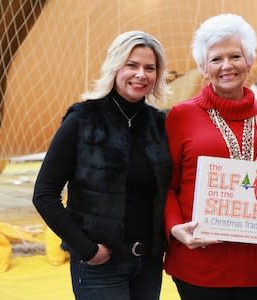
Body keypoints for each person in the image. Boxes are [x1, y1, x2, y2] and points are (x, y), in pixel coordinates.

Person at [32, 31, 172, 300]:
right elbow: (44, 195)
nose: (141, 74)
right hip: (100, 266)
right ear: (115, 66)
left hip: (148, 265)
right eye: (132, 65)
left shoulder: (159, 124)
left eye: (149, 68)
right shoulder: (82, 120)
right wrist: (86, 249)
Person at [164, 14, 257, 300]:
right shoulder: (181, 116)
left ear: (250, 61)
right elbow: (167, 185)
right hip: (199, 261)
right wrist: (174, 228)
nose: (227, 66)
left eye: (235, 56)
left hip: (255, 263)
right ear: (203, 68)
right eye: (216, 59)